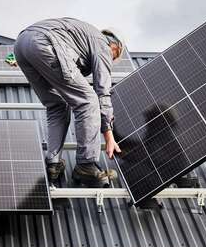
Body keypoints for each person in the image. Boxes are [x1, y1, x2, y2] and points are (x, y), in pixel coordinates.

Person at [13, 17, 123, 187]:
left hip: (21, 45)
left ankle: (53, 163)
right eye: (114, 57)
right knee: (88, 101)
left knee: (57, 104)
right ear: (115, 46)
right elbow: (102, 91)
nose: (110, 61)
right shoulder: (102, 44)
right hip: (46, 43)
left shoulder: (82, 36)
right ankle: (86, 165)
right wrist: (109, 135)